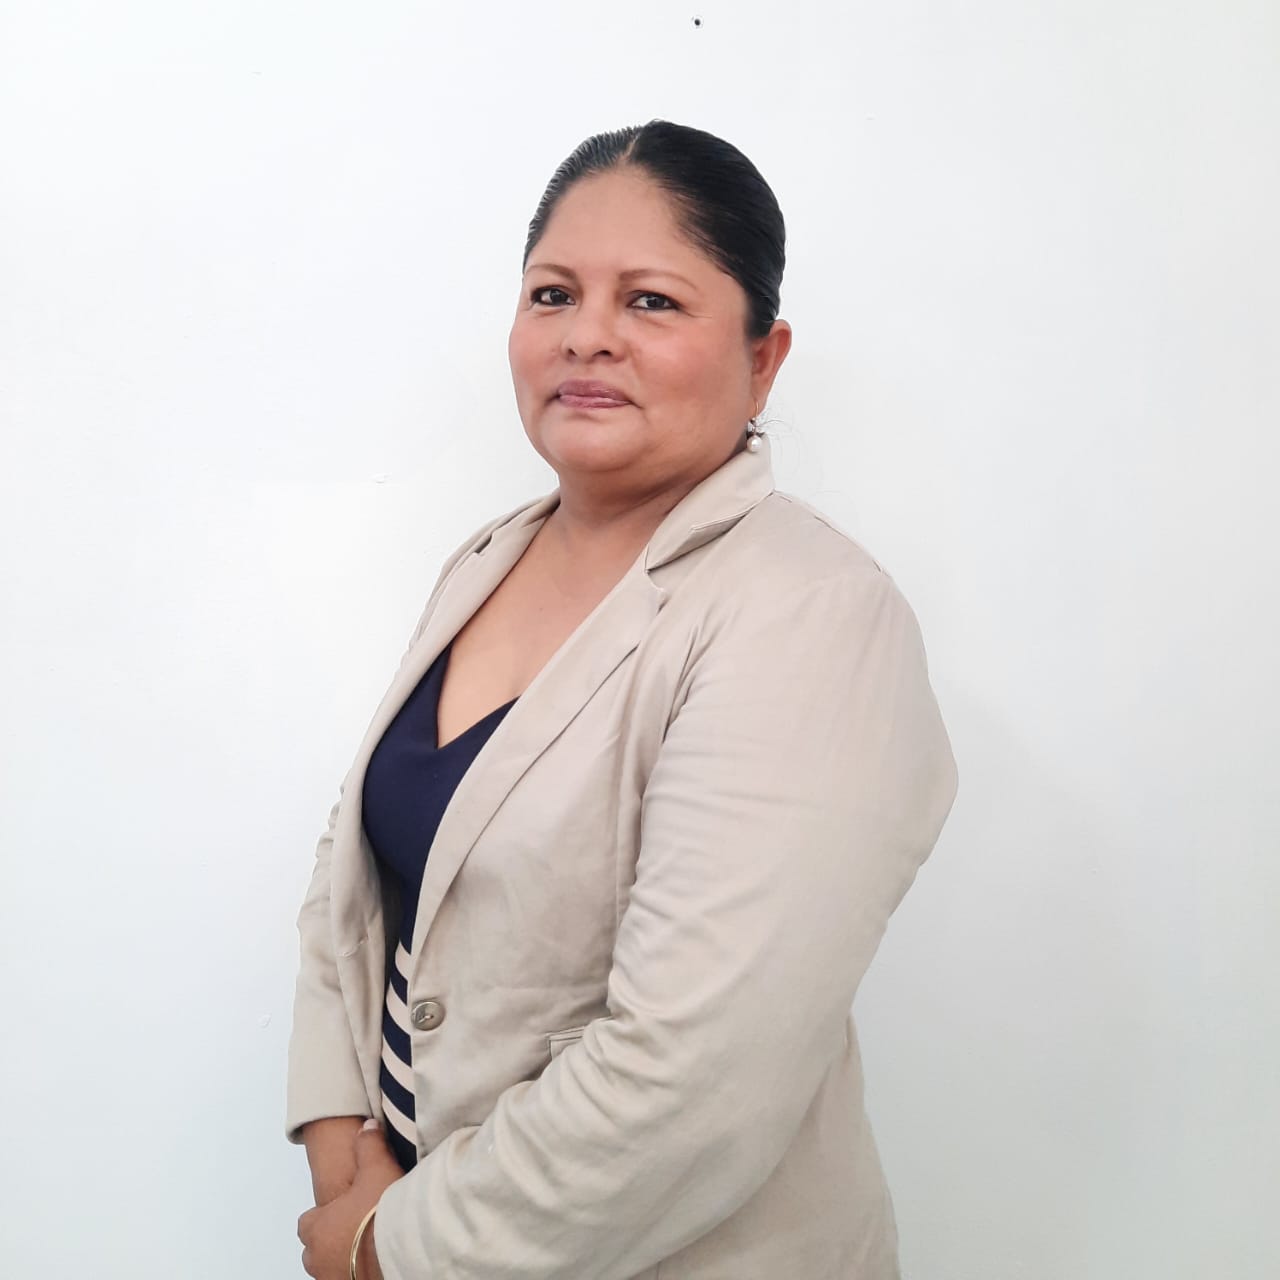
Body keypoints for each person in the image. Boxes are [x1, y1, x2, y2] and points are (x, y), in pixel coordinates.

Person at [290, 120, 957, 1280]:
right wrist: (339, 1139)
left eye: (650, 301)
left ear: (762, 357)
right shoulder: (485, 559)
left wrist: (388, 1243)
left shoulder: (809, 613)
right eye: (552, 294)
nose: (586, 334)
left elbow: (694, 1075)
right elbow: (352, 878)